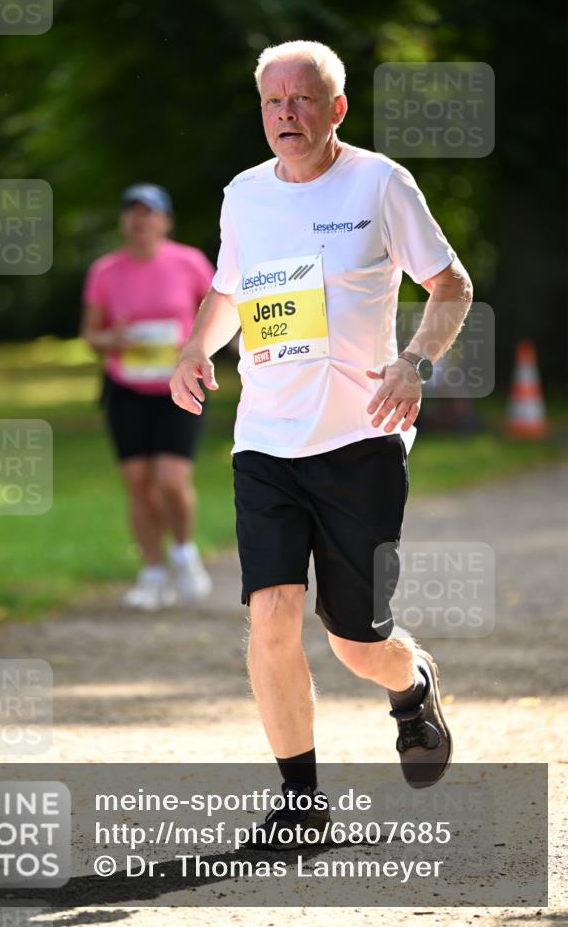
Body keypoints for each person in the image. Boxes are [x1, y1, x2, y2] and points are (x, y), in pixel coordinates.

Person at [170, 41, 473, 848]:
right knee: (270, 616)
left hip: (358, 440)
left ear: (334, 109)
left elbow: (450, 285)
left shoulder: (379, 183)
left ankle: (411, 688)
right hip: (265, 443)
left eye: (302, 101)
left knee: (355, 641)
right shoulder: (244, 195)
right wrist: (197, 346)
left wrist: (414, 362)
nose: (285, 116)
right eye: (272, 103)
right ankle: (300, 806)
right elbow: (229, 291)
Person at [82, 183, 214, 611]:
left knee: (171, 480)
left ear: (165, 220)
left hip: (180, 386)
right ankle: (152, 572)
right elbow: (91, 335)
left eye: (149, 212)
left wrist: (195, 344)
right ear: (124, 221)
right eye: (133, 212)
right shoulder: (105, 271)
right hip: (127, 388)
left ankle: (183, 553)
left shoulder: (190, 262)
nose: (141, 220)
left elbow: (217, 315)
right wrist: (112, 338)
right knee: (138, 482)